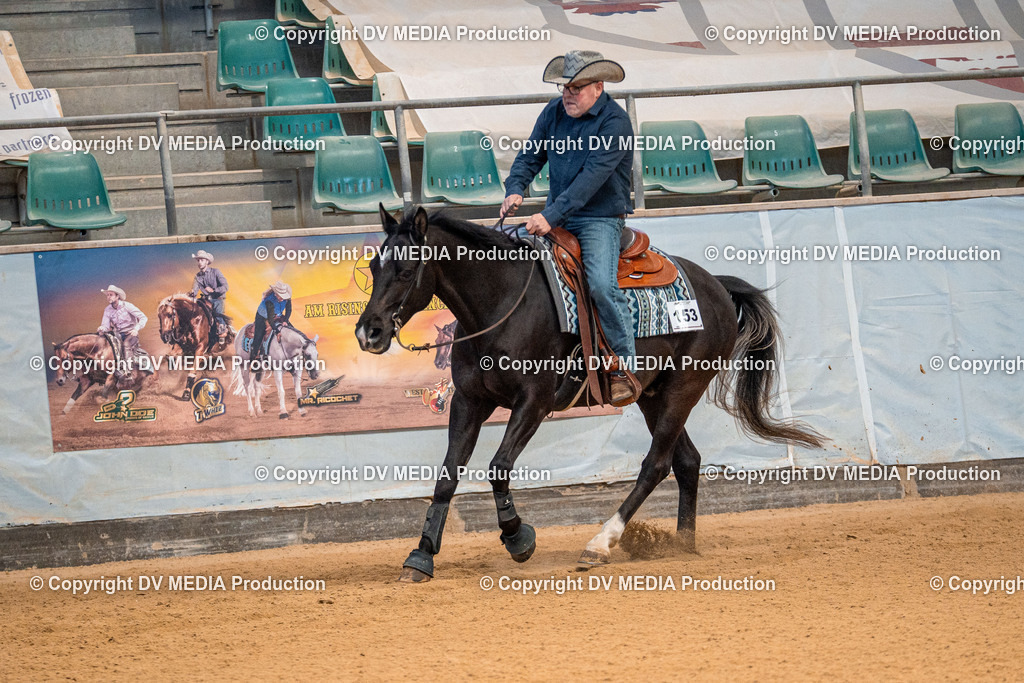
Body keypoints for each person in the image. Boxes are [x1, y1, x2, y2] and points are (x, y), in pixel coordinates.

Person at [502, 49, 639, 406]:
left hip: (598, 218)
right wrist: (516, 187)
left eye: (576, 88)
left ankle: (624, 367)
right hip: (559, 213)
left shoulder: (615, 123)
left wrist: (550, 216)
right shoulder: (553, 113)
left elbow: (590, 181)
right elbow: (530, 154)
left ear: (598, 87)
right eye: (565, 87)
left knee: (601, 285)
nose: (568, 94)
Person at [97, 285, 147, 381]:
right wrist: (102, 328)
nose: (108, 297)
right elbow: (106, 325)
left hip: (131, 334)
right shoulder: (107, 310)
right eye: (107, 295)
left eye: (111, 295)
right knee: (106, 346)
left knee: (126, 344)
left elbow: (143, 317)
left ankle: (128, 372)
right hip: (117, 335)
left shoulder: (127, 306)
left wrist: (136, 329)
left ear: (117, 296)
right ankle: (106, 372)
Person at [188, 249, 229, 345]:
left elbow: (225, 286)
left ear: (207, 261)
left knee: (218, 314)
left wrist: (214, 291)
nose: (199, 262)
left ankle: (222, 331)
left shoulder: (216, 272)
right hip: (206, 300)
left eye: (202, 260)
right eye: (198, 260)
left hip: (217, 299)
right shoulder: (197, 277)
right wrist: (191, 293)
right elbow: (194, 290)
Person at [249, 280, 292, 367]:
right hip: (263, 316)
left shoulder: (287, 298)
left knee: (292, 329)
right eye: (280, 296)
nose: (282, 298)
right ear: (276, 294)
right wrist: (277, 331)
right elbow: (270, 319)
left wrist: (285, 321)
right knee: (259, 335)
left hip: (278, 315)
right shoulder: (269, 301)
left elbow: (289, 310)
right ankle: (254, 356)